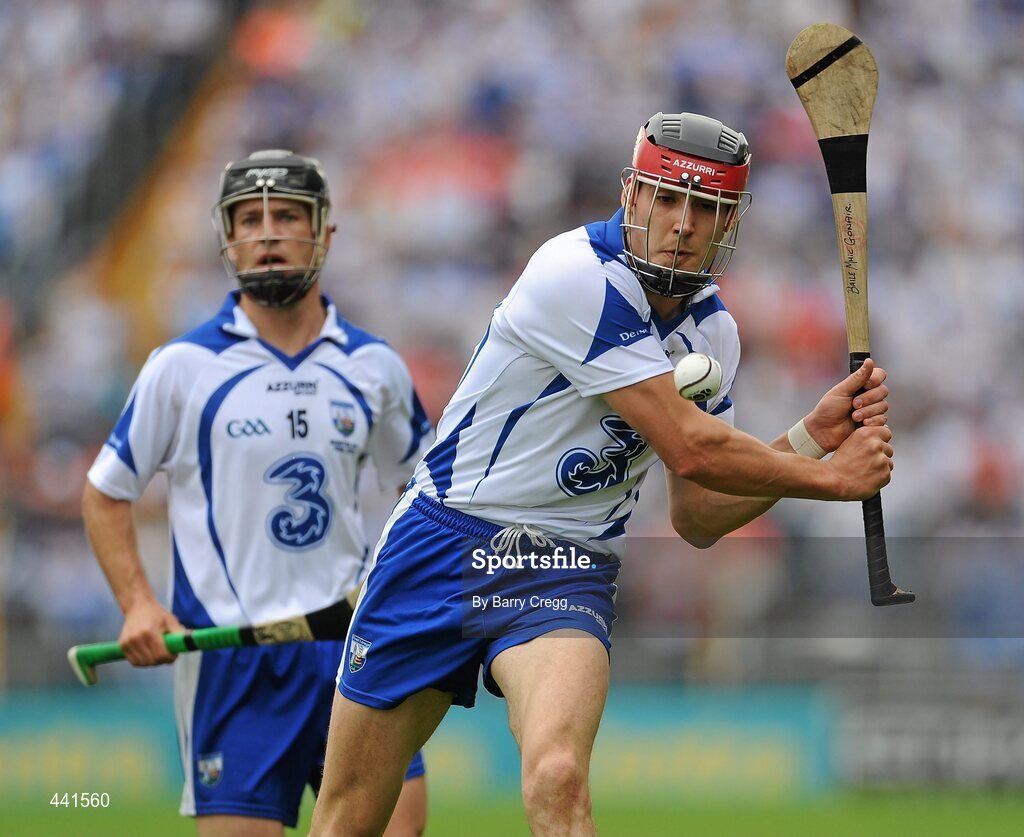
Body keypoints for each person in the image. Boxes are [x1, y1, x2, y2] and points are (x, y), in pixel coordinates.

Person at [309, 113, 894, 837]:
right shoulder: (575, 274)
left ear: (730, 222)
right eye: (666, 198)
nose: (682, 223)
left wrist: (808, 440)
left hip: (563, 566)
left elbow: (700, 512)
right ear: (632, 195)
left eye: (705, 208)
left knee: (558, 776)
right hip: (442, 541)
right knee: (350, 820)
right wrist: (836, 480)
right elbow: (690, 447)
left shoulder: (714, 331)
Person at [82, 150, 433, 837]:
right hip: (234, 665)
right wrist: (137, 602)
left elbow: (424, 491)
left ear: (325, 233)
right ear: (227, 236)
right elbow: (105, 492)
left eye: (288, 216)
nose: (267, 232)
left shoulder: (373, 366)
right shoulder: (181, 368)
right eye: (249, 218)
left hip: (353, 648)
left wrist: (402, 589)